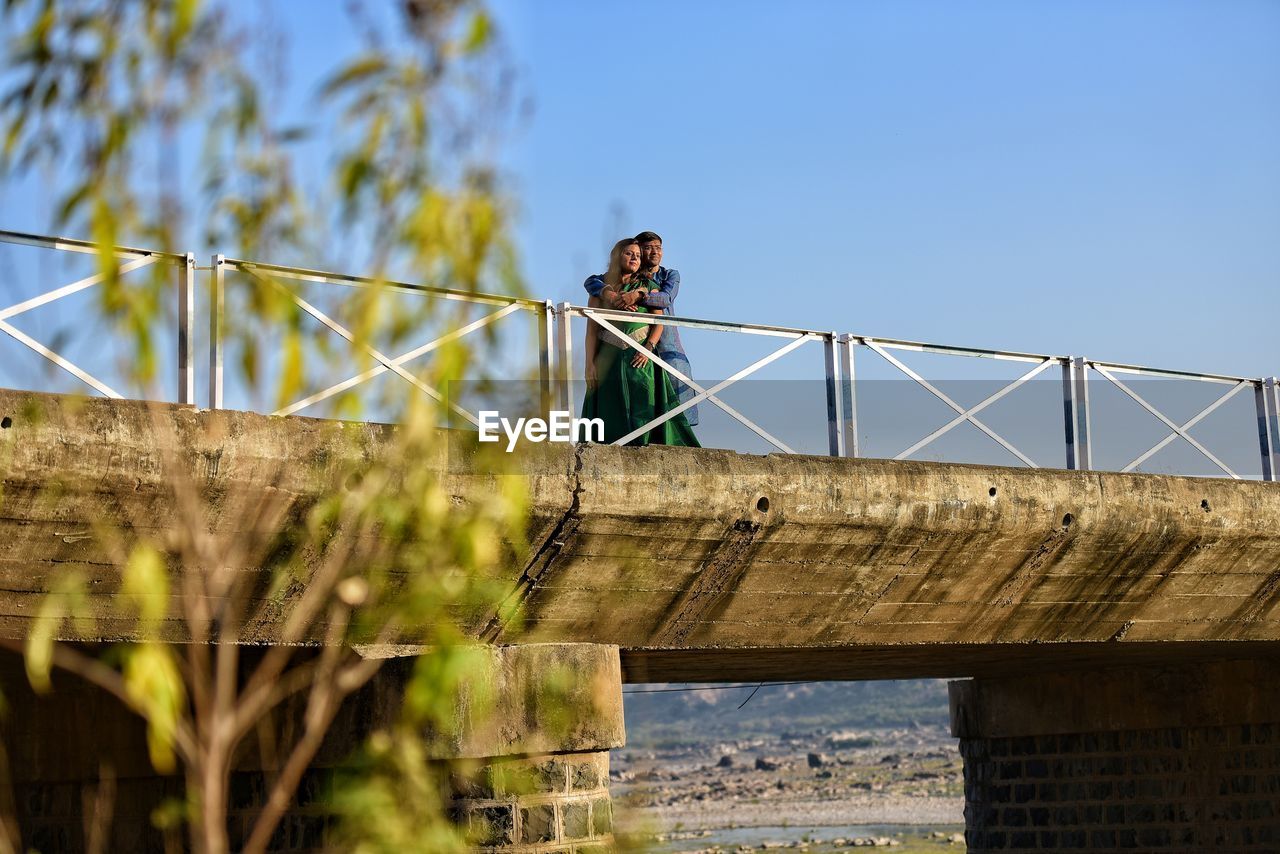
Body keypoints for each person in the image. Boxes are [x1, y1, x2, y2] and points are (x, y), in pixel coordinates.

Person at [582, 238, 699, 447]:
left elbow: (659, 321)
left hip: (641, 358)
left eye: (637, 254)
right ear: (616, 257)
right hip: (609, 357)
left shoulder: (650, 286)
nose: (635, 257)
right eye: (629, 253)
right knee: (610, 411)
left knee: (645, 407)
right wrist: (589, 363)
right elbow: (591, 331)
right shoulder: (599, 291)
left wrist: (648, 347)